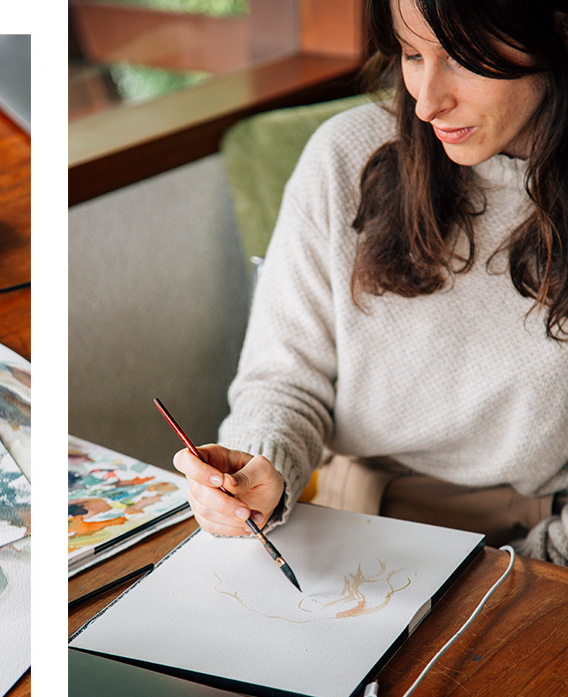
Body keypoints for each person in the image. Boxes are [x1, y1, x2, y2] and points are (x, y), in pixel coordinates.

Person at [174, 0, 568, 564]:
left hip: (537, 542)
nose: (427, 102)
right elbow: (283, 378)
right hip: (343, 513)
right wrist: (260, 464)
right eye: (412, 55)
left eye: (462, 59)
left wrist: (521, 581)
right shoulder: (345, 157)